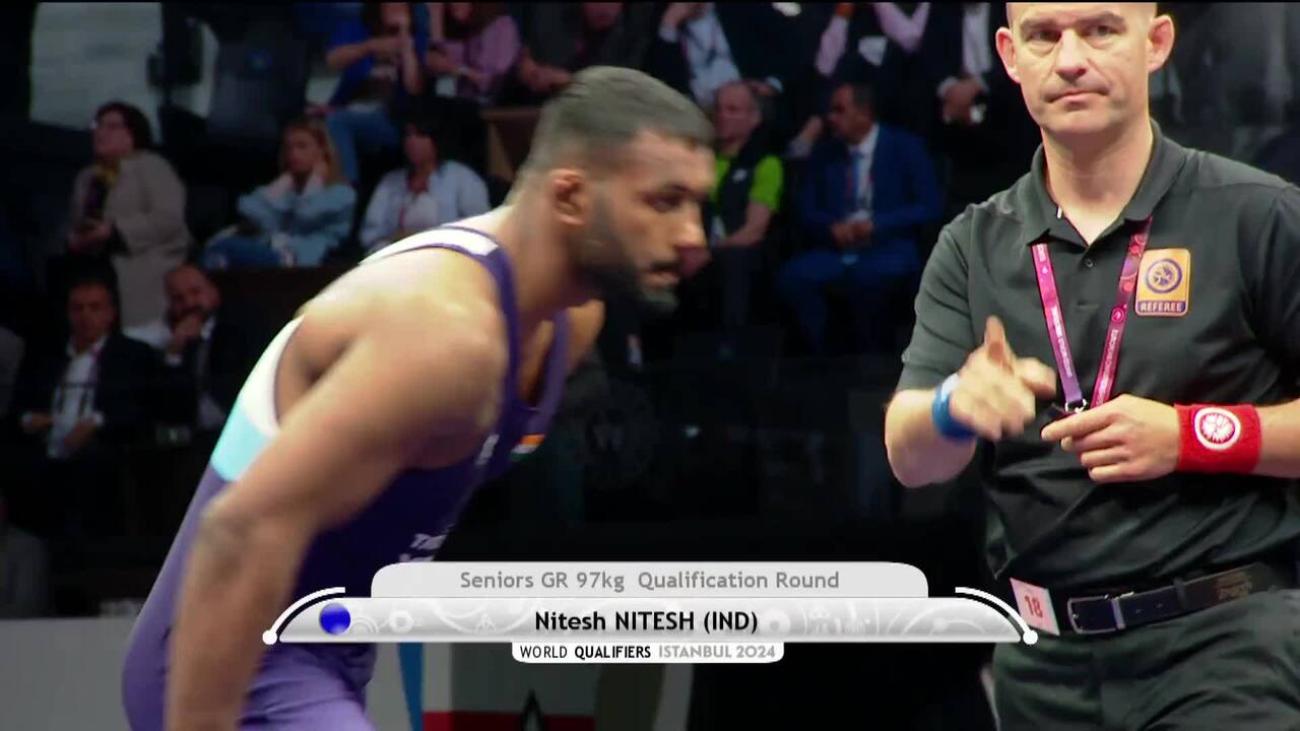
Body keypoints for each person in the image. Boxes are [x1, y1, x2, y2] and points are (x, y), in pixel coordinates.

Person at [122, 66, 714, 730]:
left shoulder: (572, 319)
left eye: (698, 204)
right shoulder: (446, 333)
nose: (694, 237)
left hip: (328, 653)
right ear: (571, 196)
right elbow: (238, 533)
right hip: (234, 657)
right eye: (665, 201)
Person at [884, 4, 1300, 728]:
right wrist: (953, 405)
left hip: (1224, 643)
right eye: (1044, 36)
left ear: (1156, 42)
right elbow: (909, 457)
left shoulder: (1255, 213)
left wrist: (1191, 437)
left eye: (1100, 29)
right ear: (1010, 56)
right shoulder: (973, 244)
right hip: (1042, 665)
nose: (1071, 59)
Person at [777, 82, 942, 354]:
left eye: (839, 110)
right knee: (794, 277)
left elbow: (929, 206)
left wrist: (877, 225)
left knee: (869, 279)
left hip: (887, 246)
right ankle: (823, 357)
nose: (831, 117)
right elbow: (806, 209)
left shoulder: (905, 148)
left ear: (864, 114)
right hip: (836, 249)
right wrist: (831, 227)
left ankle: (875, 360)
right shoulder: (825, 154)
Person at [63, 102, 190, 328]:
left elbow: (168, 219)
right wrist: (76, 238)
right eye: (97, 125)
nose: (101, 132)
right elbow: (74, 221)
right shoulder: (87, 177)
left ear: (132, 134)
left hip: (140, 269)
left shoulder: (153, 167)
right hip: (90, 268)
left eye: (111, 127)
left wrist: (114, 231)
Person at [128, 264, 270, 434]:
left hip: (240, 426)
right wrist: (174, 353)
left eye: (195, 292)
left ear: (213, 292)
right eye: (178, 298)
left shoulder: (243, 326)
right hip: (193, 435)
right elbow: (169, 406)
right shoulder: (175, 336)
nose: (189, 303)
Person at [204, 118, 356, 269]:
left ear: (322, 151)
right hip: (272, 251)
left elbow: (306, 215)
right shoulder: (285, 189)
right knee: (216, 248)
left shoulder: (342, 193)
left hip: (304, 258)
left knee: (227, 248)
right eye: (289, 148)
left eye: (302, 146)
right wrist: (281, 184)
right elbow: (253, 214)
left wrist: (315, 180)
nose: (293, 154)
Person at [321, 2, 427, 183]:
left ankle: (347, 186)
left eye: (402, 6)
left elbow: (414, 88)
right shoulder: (356, 28)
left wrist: (406, 44)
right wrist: (369, 47)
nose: (396, 8)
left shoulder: (416, 38)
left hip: (391, 119)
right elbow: (332, 61)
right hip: (350, 107)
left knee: (337, 122)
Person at [359, 110, 489, 253]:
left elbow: (480, 230)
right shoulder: (390, 182)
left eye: (420, 135)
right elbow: (371, 235)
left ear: (436, 139)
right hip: (398, 258)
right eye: (408, 135)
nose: (412, 141)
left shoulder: (463, 178)